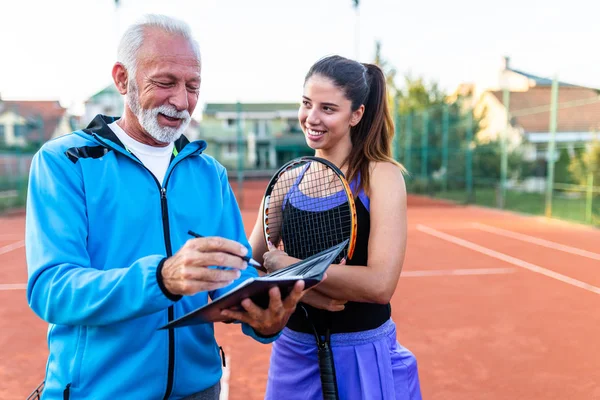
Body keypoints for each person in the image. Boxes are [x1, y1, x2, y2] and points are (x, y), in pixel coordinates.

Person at [25, 14, 305, 400]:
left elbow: (236, 278)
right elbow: (52, 289)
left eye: (193, 86)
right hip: (99, 392)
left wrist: (266, 317)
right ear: (123, 79)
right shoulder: (64, 161)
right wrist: (161, 278)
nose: (181, 101)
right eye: (165, 82)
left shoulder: (210, 174)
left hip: (199, 390)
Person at [248, 55, 422, 399]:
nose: (312, 118)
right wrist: (306, 291)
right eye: (306, 103)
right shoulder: (288, 181)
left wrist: (295, 269)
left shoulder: (380, 176)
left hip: (361, 352)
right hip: (293, 353)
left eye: (328, 108)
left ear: (356, 114)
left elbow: (379, 285)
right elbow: (248, 266)